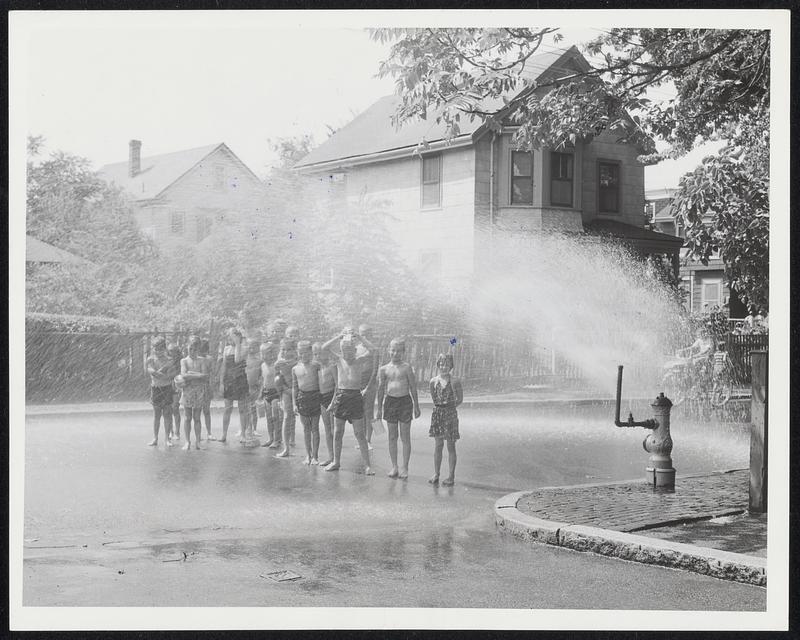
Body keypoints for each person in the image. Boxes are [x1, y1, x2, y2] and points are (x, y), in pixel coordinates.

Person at [321, 328, 377, 474]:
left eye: (351, 350)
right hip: (341, 396)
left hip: (355, 397)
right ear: (341, 351)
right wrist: (339, 336)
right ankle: (336, 462)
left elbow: (374, 350)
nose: (348, 354)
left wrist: (359, 336)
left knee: (359, 433)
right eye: (345, 351)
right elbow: (324, 348)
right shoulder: (339, 359)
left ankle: (367, 465)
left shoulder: (360, 359)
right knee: (338, 431)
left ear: (355, 350)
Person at [376, 338, 421, 479]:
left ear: (403, 352)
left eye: (399, 351)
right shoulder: (383, 369)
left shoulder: (407, 368)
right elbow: (380, 389)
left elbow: (413, 387)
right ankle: (394, 466)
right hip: (390, 402)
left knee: (405, 436)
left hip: (405, 402)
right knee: (392, 436)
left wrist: (416, 405)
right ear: (389, 350)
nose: (395, 353)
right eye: (393, 350)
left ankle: (404, 467)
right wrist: (378, 408)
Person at [428, 353, 463, 486]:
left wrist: (450, 408)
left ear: (451, 366)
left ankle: (451, 476)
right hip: (438, 414)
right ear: (438, 365)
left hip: (450, 414)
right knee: (438, 445)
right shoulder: (433, 381)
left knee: (451, 446)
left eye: (447, 364)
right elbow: (434, 397)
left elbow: (460, 399)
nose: (444, 367)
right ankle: (436, 473)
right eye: (441, 364)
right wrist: (440, 408)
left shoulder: (455, 381)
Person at [291, 340, 322, 464]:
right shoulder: (295, 368)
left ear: (311, 352)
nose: (303, 355)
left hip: (315, 396)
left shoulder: (316, 365)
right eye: (301, 353)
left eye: (306, 352)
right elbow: (295, 386)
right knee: (306, 428)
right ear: (298, 353)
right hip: (302, 398)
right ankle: (307, 455)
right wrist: (294, 403)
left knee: (315, 427)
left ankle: (315, 456)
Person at [218, 328, 249, 444]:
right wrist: (222, 383)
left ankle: (243, 434)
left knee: (242, 409)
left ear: (238, 337)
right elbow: (224, 367)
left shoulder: (244, 348)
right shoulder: (226, 349)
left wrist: (237, 344)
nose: (230, 339)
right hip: (229, 381)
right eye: (229, 337)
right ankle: (224, 434)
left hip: (240, 380)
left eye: (232, 337)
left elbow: (237, 360)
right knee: (227, 409)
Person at [180, 335, 210, 451]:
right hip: (187, 390)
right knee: (187, 417)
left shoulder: (202, 360)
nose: (192, 351)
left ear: (198, 349)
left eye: (195, 349)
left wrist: (191, 374)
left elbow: (205, 376)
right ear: (187, 348)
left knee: (197, 417)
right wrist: (197, 375)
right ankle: (187, 441)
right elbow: (183, 375)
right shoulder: (184, 360)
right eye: (190, 348)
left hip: (198, 391)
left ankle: (198, 441)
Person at [146, 337, 175, 447]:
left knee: (167, 414)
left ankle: (167, 439)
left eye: (160, 349)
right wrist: (163, 372)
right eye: (156, 349)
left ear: (164, 348)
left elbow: (172, 375)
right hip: (156, 388)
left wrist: (162, 374)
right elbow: (152, 372)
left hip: (167, 388)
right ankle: (155, 438)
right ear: (153, 349)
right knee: (157, 415)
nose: (158, 351)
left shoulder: (169, 360)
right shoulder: (151, 359)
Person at [356, 324, 380, 449]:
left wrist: (367, 387)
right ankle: (362, 440)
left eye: (366, 334)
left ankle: (369, 440)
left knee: (369, 412)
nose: (363, 337)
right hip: (358, 385)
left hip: (370, 384)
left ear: (371, 335)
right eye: (361, 334)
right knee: (359, 413)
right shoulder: (356, 348)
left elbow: (375, 371)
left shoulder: (374, 349)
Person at [313, 341, 337, 467]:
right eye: (315, 354)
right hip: (322, 398)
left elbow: (338, 385)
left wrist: (333, 402)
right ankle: (330, 456)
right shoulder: (318, 368)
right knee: (327, 430)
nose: (317, 356)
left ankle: (335, 459)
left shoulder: (332, 366)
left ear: (326, 353)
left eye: (320, 354)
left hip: (332, 397)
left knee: (334, 430)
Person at [274, 338, 298, 453]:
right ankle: (286, 448)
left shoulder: (299, 360)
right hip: (286, 391)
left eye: (289, 349)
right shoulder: (280, 361)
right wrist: (286, 390)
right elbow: (277, 379)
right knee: (287, 416)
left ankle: (312, 453)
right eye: (283, 349)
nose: (285, 352)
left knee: (307, 420)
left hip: (299, 390)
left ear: (294, 350)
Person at [259, 342, 282, 449]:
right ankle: (271, 438)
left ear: (273, 354)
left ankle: (277, 440)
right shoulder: (263, 365)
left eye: (267, 353)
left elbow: (281, 379)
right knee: (268, 418)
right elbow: (263, 380)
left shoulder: (276, 365)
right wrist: (260, 394)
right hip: (266, 393)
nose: (264, 356)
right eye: (262, 354)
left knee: (275, 417)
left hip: (276, 393)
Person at [244, 338, 263, 441]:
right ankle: (245, 427)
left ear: (258, 348)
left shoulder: (260, 360)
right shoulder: (244, 359)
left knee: (253, 408)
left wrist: (260, 386)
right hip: (245, 387)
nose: (251, 348)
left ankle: (254, 428)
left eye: (254, 346)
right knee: (244, 408)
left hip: (254, 387)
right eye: (249, 346)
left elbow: (261, 375)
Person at [199, 338, 215, 441]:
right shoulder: (196, 359)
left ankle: (209, 433)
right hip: (198, 386)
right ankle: (200, 433)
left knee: (206, 411)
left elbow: (212, 373)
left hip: (205, 386)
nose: (203, 352)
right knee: (198, 412)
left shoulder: (209, 359)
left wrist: (211, 387)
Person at [167, 343, 184, 443]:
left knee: (175, 409)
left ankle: (177, 432)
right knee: (168, 410)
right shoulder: (167, 361)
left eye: (173, 351)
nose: (171, 353)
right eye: (170, 351)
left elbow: (181, 374)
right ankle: (170, 431)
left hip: (176, 386)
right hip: (167, 386)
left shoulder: (180, 361)